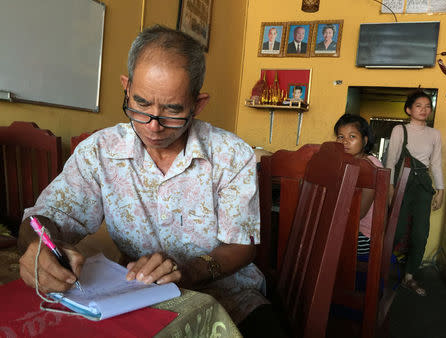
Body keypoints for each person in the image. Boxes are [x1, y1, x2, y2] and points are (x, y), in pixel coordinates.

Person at [17, 25, 280, 332]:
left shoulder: (231, 155)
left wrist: (188, 270)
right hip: (137, 298)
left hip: (230, 298)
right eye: (140, 104)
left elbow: (242, 246)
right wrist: (38, 245)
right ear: (127, 88)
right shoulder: (100, 152)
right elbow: (47, 216)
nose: (153, 126)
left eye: (172, 111)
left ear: (198, 104)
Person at [385, 90, 444, 296]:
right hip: (402, 184)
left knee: (421, 233)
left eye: (427, 106)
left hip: (423, 186)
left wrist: (441, 190)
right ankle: (380, 270)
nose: (424, 109)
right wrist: (391, 187)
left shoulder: (435, 134)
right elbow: (391, 161)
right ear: (409, 109)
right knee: (397, 230)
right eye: (418, 105)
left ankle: (409, 276)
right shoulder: (400, 130)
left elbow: (435, 163)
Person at [334, 114, 382, 255]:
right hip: (348, 226)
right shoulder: (344, 163)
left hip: (364, 236)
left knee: (314, 240)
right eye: (340, 137)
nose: (345, 142)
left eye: (352, 137)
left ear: (365, 140)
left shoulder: (370, 165)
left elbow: (358, 213)